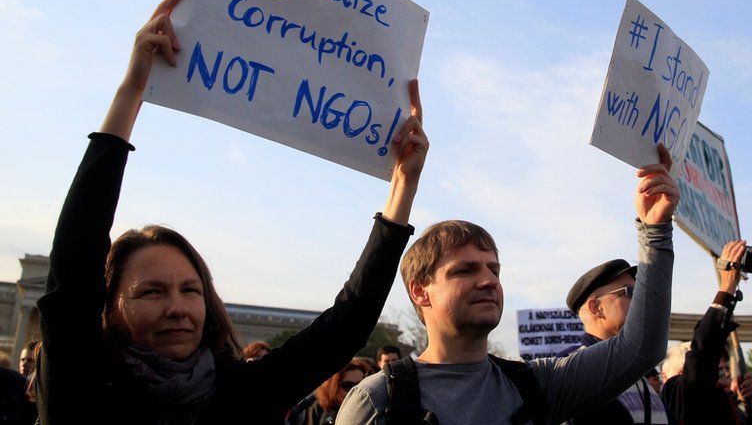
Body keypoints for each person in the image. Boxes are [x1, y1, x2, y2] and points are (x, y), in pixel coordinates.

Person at [34, 0, 429, 424]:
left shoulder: (240, 394)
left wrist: (402, 188)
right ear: (110, 305)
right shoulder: (78, 381)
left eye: (191, 290)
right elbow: (76, 252)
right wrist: (131, 92)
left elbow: (347, 324)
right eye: (151, 291)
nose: (178, 308)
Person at [337, 143, 680, 424]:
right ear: (420, 290)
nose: (487, 281)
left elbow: (642, 348)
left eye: (494, 270)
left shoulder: (537, 384)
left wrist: (655, 231)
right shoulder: (378, 400)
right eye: (464, 271)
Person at [660, 240, 752, 424]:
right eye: (688, 368)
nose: (716, 373)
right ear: (666, 376)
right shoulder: (675, 392)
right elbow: (702, 356)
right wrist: (727, 289)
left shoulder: (725, 400)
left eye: (719, 369)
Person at [557, 257, 669, 423]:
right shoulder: (570, 369)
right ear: (596, 307)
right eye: (630, 293)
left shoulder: (639, 373)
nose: (640, 301)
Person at [289, 358, 372, 425]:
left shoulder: (375, 413)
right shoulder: (319, 415)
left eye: (360, 385)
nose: (354, 390)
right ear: (333, 388)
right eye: (347, 386)